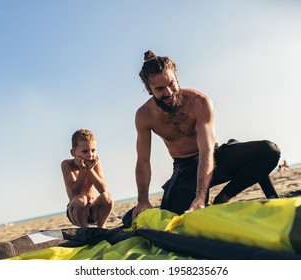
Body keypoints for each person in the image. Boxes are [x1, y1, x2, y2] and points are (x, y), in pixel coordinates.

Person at [132, 50, 281, 219]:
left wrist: (200, 197)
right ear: (148, 89)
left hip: (214, 155)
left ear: (176, 78)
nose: (169, 92)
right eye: (160, 88)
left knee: (269, 151)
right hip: (185, 169)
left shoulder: (199, 101)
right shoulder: (145, 115)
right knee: (175, 216)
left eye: (172, 84)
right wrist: (143, 200)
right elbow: (143, 160)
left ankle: (223, 197)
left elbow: (206, 151)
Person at [61, 129, 114, 228]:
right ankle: (85, 229)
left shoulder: (95, 162)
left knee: (108, 197)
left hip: (93, 210)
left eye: (93, 150)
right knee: (81, 199)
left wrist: (91, 170)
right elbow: (75, 192)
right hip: (76, 212)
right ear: (73, 153)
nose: (90, 155)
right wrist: (82, 170)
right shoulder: (67, 164)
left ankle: (101, 226)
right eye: (85, 151)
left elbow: (103, 189)